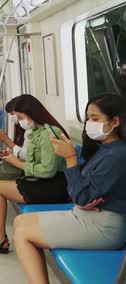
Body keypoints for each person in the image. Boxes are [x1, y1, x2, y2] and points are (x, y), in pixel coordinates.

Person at [14, 94, 126, 284]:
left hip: (104, 227)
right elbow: (84, 192)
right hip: (86, 214)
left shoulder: (117, 155)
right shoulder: (106, 148)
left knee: (23, 235)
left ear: (115, 121)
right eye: (88, 118)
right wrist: (84, 197)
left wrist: (70, 159)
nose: (89, 123)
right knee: (20, 221)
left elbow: (81, 195)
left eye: (95, 119)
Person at [0, 94, 70, 254]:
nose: (19, 121)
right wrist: (14, 159)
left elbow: (47, 170)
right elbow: (29, 157)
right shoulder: (35, 132)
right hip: (40, 179)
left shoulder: (49, 134)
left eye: (20, 117)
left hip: (54, 185)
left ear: (32, 113)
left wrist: (16, 162)